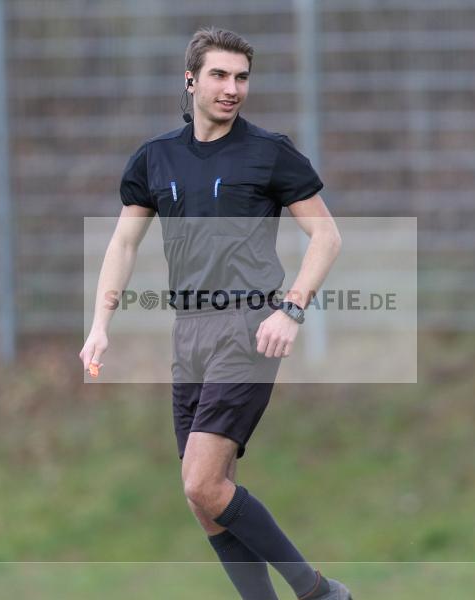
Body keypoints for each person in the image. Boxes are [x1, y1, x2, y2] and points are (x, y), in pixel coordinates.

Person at [79, 27, 351, 600]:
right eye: (220, 75)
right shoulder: (155, 158)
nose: (232, 88)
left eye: (242, 78)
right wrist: (100, 326)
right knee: (203, 498)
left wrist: (291, 310)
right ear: (191, 80)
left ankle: (318, 592)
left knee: (203, 483)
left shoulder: (270, 152)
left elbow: (327, 237)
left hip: (248, 328)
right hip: (189, 333)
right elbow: (123, 244)